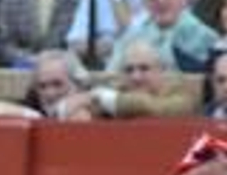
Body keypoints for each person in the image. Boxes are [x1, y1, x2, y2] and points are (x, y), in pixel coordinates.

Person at [55, 39, 197, 118]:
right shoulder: (117, 88)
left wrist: (107, 98)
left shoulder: (182, 92)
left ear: (161, 70)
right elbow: (65, 109)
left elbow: (156, 108)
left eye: (144, 68)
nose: (136, 77)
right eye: (129, 70)